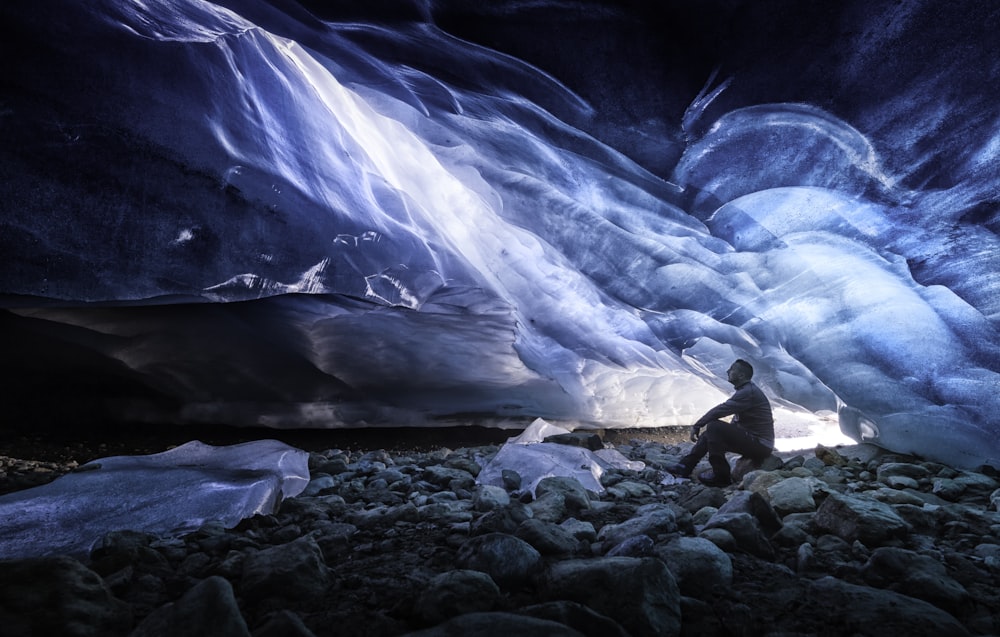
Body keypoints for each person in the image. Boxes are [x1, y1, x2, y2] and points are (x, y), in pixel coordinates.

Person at [666, 359, 775, 487]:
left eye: (732, 369)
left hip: (760, 445)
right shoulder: (746, 391)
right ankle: (685, 466)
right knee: (709, 433)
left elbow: (720, 410)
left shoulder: (748, 392)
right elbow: (736, 421)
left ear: (741, 375)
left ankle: (721, 475)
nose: (728, 371)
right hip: (754, 441)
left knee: (714, 426)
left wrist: (697, 425)